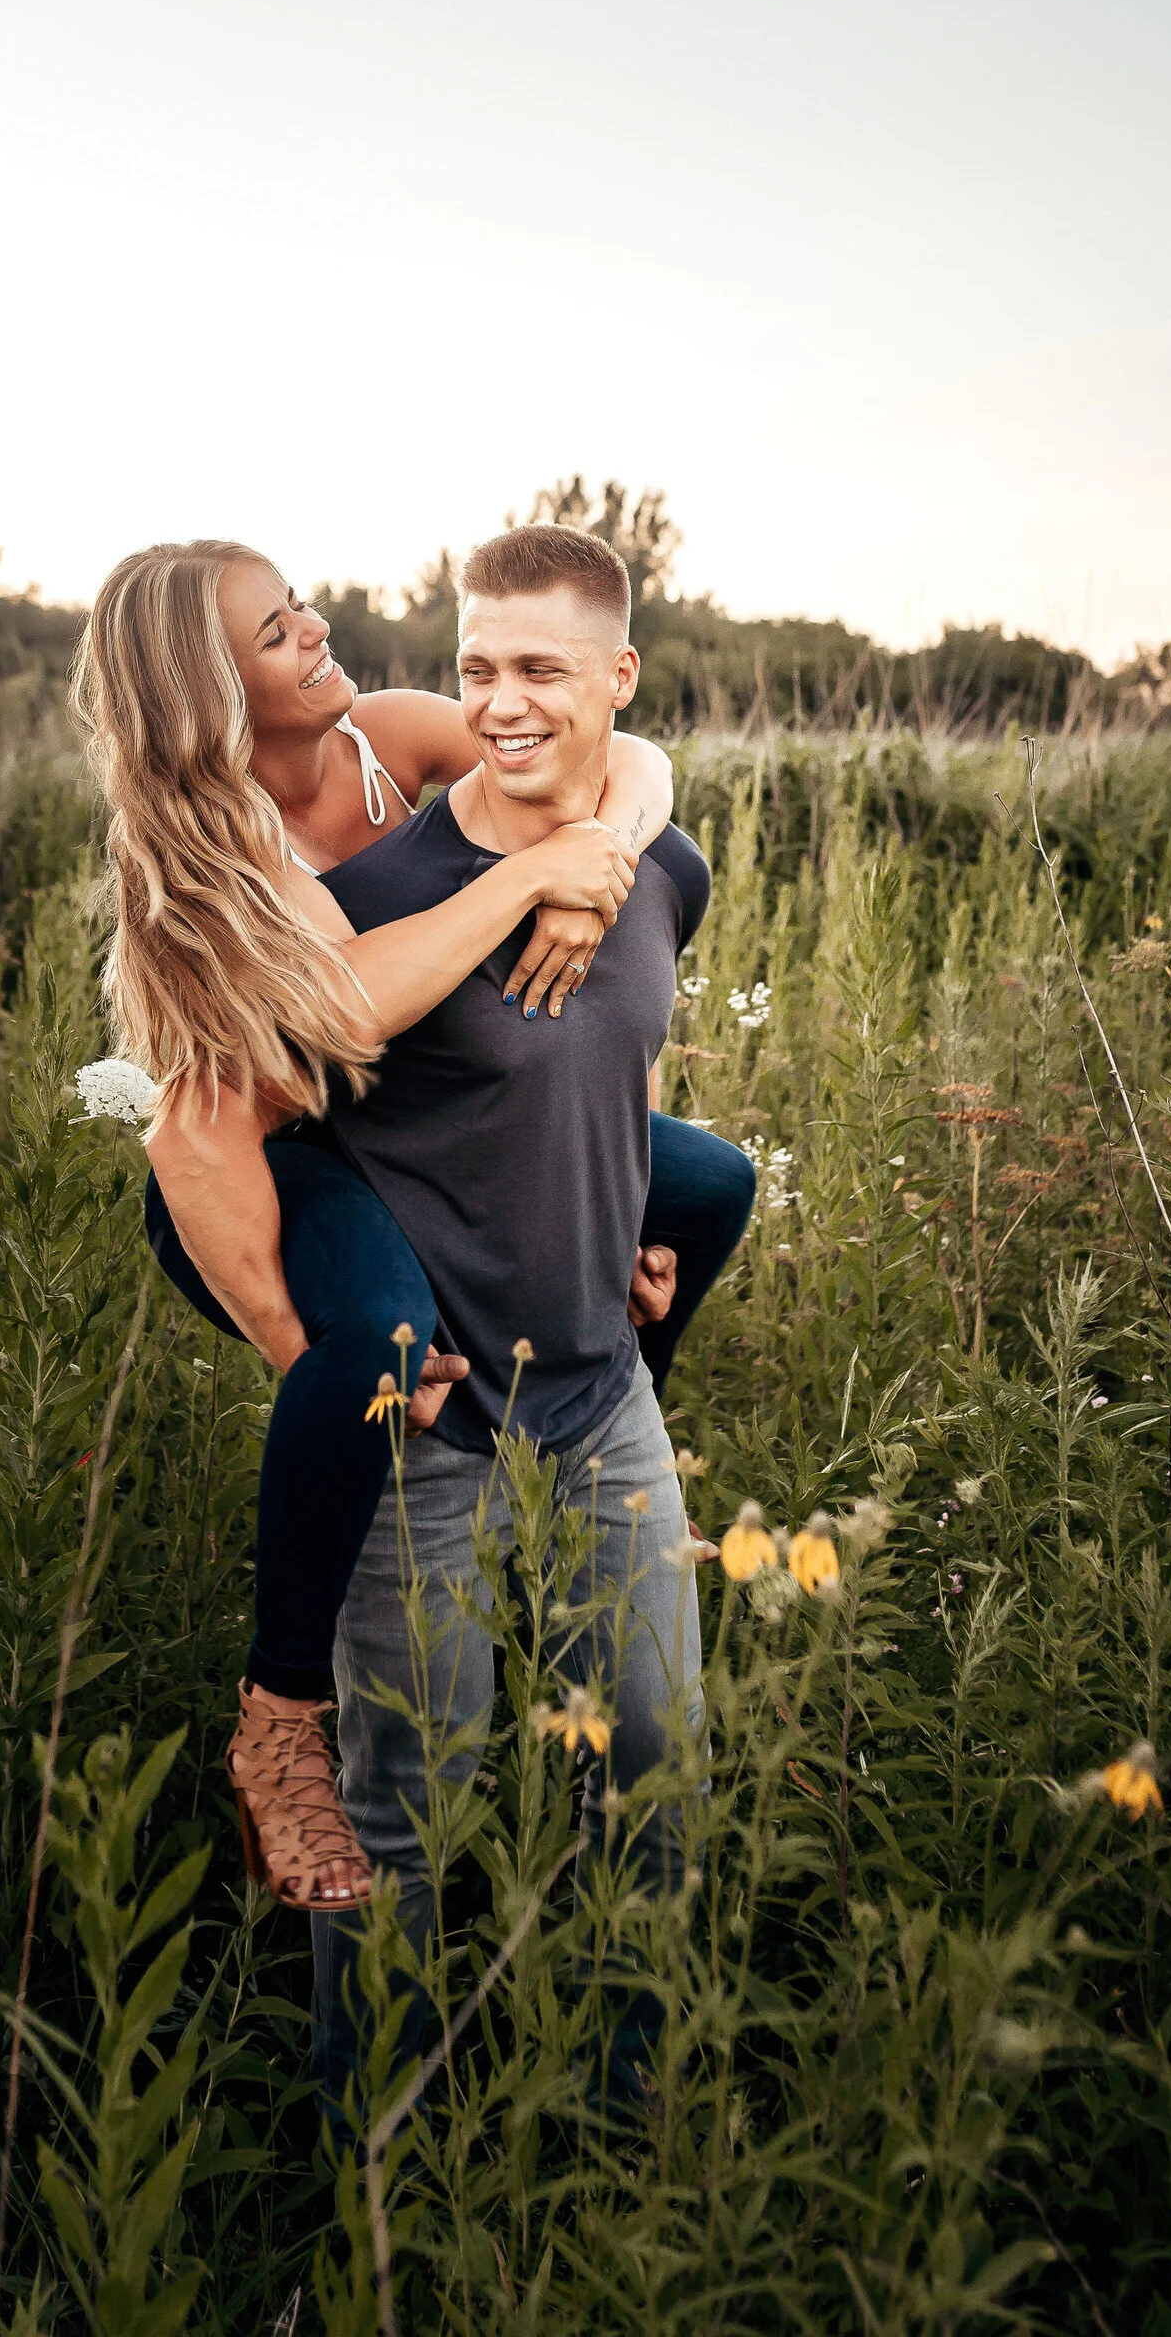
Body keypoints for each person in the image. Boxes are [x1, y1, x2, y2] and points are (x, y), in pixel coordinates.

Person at [74, 540, 648, 1913]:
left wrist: (597, 850)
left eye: (298, 604)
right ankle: (278, 1721)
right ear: (213, 695)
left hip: (425, 1133)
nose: (319, 629)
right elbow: (228, 1104)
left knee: (701, 1185)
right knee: (379, 1345)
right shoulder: (202, 859)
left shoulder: (388, 738)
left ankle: (568, 1486)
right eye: (279, 633)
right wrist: (306, 1357)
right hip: (282, 1166)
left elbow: (626, 759)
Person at [306, 521, 730, 2115]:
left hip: (604, 1395)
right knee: (410, 1805)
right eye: (476, 667)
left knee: (654, 1769)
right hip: (434, 1422)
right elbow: (301, 1125)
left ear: (618, 679)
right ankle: (378, 2166)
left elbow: (612, 1068)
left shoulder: (663, 866)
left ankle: (632, 2125)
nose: (501, 703)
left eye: (542, 670)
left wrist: (609, 1216)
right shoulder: (387, 890)